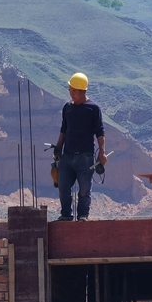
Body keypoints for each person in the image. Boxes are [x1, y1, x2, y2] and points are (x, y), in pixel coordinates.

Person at [53, 73, 106, 222]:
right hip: (67, 156)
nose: (71, 93)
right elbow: (63, 129)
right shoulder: (67, 108)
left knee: (84, 190)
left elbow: (100, 132)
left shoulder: (93, 109)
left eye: (73, 90)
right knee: (63, 188)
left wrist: (102, 153)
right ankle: (66, 215)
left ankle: (83, 216)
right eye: (70, 89)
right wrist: (58, 148)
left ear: (82, 91)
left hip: (85, 157)